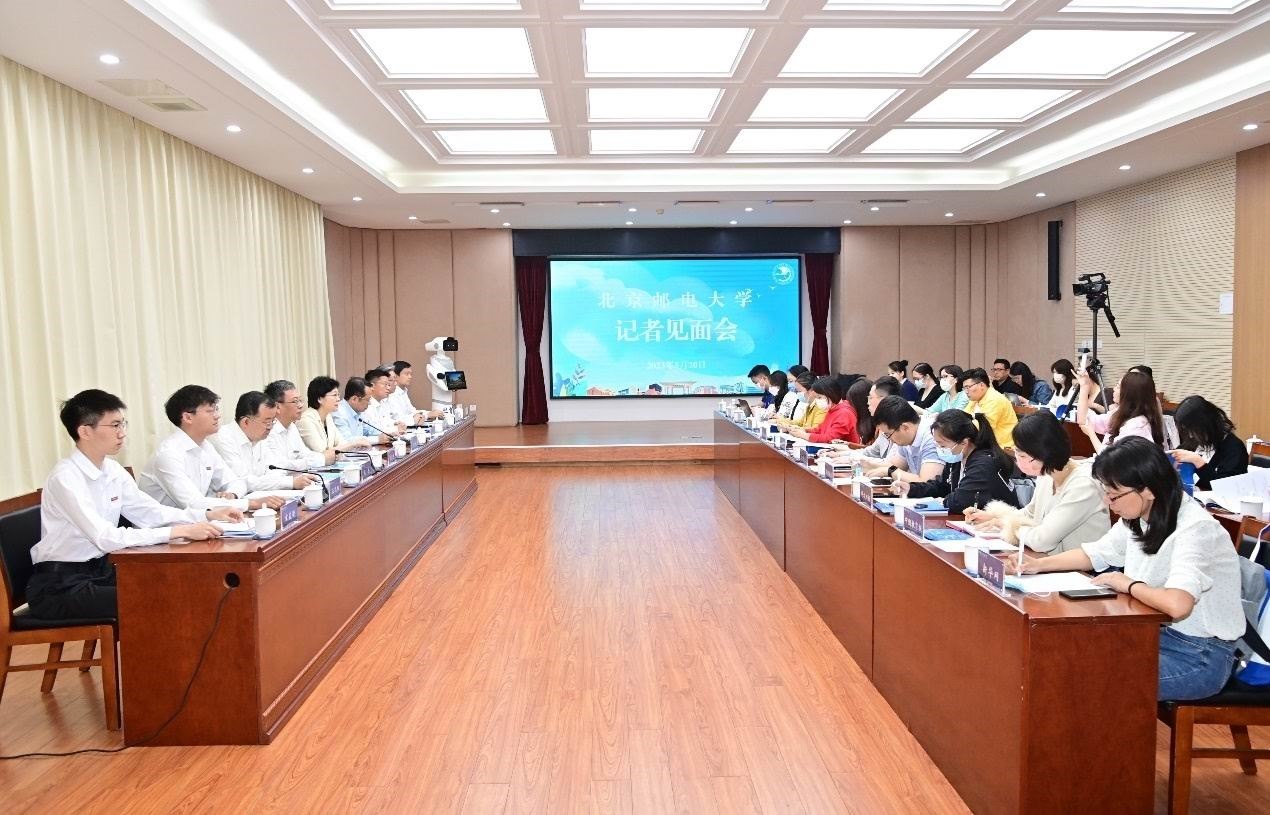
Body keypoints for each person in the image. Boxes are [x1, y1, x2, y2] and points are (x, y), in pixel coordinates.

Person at [1005, 438, 1242, 701]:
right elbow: (1094, 553)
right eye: (1106, 492)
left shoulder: (1195, 528)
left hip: (1200, 656)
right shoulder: (1139, 516)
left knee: (1084, 676)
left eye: (1114, 494)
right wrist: (1039, 565)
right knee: (1061, 654)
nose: (1109, 502)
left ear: (1148, 489)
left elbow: (1178, 605)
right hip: (1152, 634)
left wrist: (1129, 585)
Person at [26, 390, 241, 620]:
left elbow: (149, 512)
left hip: (102, 570)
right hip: (61, 585)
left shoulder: (112, 469)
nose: (122, 433)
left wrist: (206, 515)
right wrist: (180, 531)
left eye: (123, 424)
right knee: (157, 599)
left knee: (180, 582)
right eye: (114, 425)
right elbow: (105, 538)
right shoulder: (66, 477)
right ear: (85, 431)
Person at [964, 412, 1109, 554]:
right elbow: (1030, 514)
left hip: (1076, 567)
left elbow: (1042, 540)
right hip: (1046, 560)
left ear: (1043, 454)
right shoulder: (1047, 474)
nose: (1017, 459)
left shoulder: (1083, 485)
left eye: (1021, 455)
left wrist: (1006, 524)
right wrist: (993, 517)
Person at [138, 385, 257, 512]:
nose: (217, 416)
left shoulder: (205, 446)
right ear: (188, 417)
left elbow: (235, 481)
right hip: (164, 523)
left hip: (196, 519)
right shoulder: (168, 454)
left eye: (216, 409)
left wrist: (231, 494)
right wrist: (250, 504)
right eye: (210, 411)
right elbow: (193, 504)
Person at [895, 410, 1018, 513]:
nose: (940, 449)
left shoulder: (984, 463)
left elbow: (962, 500)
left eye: (942, 445)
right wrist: (911, 489)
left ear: (964, 442)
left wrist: (942, 501)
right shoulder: (957, 457)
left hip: (1000, 525)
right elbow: (941, 486)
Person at [210, 391, 318, 501]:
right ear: (246, 422)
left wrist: (276, 481)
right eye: (267, 422)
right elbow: (244, 480)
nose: (270, 427)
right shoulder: (223, 438)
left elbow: (275, 468)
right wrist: (290, 482)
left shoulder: (259, 437)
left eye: (273, 421)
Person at [1169, 396, 1248, 490]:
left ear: (1206, 424)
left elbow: (1225, 487)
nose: (1190, 435)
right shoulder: (1194, 442)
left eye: (1193, 430)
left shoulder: (1234, 448)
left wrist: (1198, 462)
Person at [1077, 369, 1164, 454]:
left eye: (1118, 386)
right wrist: (1084, 386)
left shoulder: (1137, 425)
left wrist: (1091, 434)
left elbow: (1113, 458)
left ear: (1129, 394)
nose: (1114, 389)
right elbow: (1083, 420)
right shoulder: (1119, 413)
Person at [867, 396, 945, 484]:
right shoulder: (907, 436)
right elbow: (896, 465)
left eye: (888, 434)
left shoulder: (932, 437)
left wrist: (890, 471)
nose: (890, 440)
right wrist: (866, 463)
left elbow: (927, 482)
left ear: (905, 427)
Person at [264, 379, 335, 470]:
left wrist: (325, 457)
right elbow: (280, 466)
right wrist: (321, 459)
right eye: (295, 401)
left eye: (300, 400)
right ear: (277, 407)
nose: (301, 405)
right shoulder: (268, 431)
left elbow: (305, 453)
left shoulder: (292, 426)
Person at [298, 376, 369, 453]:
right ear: (319, 399)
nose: (338, 399)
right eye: (334, 395)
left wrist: (350, 445)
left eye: (338, 395)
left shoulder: (328, 417)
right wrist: (354, 444)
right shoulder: (306, 420)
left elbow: (342, 443)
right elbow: (323, 452)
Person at [787, 376, 860, 444]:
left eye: (819, 397)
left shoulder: (844, 413)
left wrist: (804, 435)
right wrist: (804, 430)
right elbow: (820, 429)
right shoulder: (832, 408)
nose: (817, 400)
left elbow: (831, 438)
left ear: (831, 394)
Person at [960, 368, 1018, 451]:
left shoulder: (995, 399)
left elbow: (982, 428)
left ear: (981, 385)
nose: (966, 391)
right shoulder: (975, 399)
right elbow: (963, 417)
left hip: (1002, 448)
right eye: (964, 388)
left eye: (968, 387)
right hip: (985, 445)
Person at [334, 377, 393, 443]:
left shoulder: (358, 410)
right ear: (354, 399)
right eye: (368, 400)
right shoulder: (339, 413)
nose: (370, 403)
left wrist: (388, 433)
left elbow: (369, 430)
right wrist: (377, 439)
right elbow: (347, 440)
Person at [363, 368, 406, 436]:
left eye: (388, 385)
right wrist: (395, 428)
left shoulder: (382, 402)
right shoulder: (366, 405)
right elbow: (373, 431)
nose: (388, 388)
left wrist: (395, 423)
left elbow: (386, 422)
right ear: (372, 386)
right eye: (385, 384)